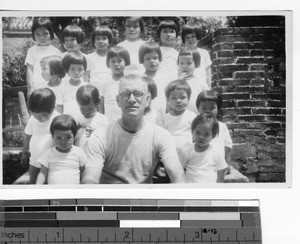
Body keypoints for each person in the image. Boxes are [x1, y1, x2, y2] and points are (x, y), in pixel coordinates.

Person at [81, 74, 186, 184]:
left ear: (148, 100)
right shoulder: (100, 136)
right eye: (125, 94)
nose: (131, 100)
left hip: (142, 199)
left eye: (138, 94)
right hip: (110, 198)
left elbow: (176, 173)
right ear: (118, 100)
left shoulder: (161, 136)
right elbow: (90, 177)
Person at [21, 88, 59, 184]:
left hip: (51, 163)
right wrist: (24, 152)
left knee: (49, 186)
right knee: (33, 182)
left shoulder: (57, 119)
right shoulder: (33, 120)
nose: (41, 119)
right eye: (38, 116)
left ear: (53, 108)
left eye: (45, 115)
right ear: (31, 111)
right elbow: (28, 136)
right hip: (34, 161)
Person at [36, 114, 86, 184]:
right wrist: (38, 187)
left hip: (73, 192)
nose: (63, 142)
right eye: (59, 138)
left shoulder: (79, 152)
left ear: (74, 136)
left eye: (68, 137)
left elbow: (83, 171)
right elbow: (43, 172)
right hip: (54, 192)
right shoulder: (49, 153)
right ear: (53, 137)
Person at [180, 113, 227, 183]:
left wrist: (220, 187)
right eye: (197, 133)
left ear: (213, 136)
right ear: (192, 132)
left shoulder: (215, 152)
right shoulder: (186, 150)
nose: (201, 137)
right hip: (190, 187)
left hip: (209, 187)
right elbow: (180, 169)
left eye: (206, 134)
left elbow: (221, 169)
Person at [196, 89, 233, 174]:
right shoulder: (195, 125)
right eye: (204, 107)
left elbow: (227, 145)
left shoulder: (222, 127)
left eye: (212, 108)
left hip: (217, 164)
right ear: (198, 108)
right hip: (199, 164)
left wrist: (226, 162)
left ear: (218, 108)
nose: (208, 110)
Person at [25, 17, 61, 98]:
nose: (41, 37)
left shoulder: (56, 51)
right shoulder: (32, 51)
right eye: (38, 34)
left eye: (45, 33)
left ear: (51, 34)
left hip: (53, 86)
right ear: (33, 35)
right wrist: (30, 88)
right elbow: (29, 70)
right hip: (36, 86)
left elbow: (59, 72)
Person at [161, 79, 197, 154]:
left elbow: (196, 135)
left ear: (188, 98)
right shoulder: (165, 118)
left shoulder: (192, 116)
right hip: (170, 153)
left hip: (188, 153)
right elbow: (162, 137)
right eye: (173, 98)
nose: (178, 101)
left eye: (182, 97)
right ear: (168, 100)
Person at [139, 41, 172, 116]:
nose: (152, 61)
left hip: (162, 114)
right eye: (147, 58)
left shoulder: (166, 78)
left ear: (160, 59)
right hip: (145, 115)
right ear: (142, 60)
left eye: (155, 58)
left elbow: (169, 98)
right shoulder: (139, 79)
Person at [98, 46, 130, 122]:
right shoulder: (105, 81)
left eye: (119, 61)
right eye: (113, 61)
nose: (116, 64)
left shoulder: (129, 81)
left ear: (126, 62)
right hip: (109, 116)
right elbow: (101, 101)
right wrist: (100, 118)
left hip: (124, 115)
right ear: (108, 63)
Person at [75, 85, 109, 150]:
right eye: (83, 109)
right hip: (79, 152)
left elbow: (106, 140)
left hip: (95, 153)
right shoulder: (78, 119)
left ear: (98, 103)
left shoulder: (102, 120)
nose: (86, 112)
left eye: (90, 108)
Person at [56, 51, 88, 118]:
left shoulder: (86, 86)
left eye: (80, 69)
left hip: (83, 119)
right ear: (66, 69)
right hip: (67, 120)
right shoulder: (62, 86)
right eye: (73, 69)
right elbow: (59, 106)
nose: (76, 72)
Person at [177, 48, 209, 114]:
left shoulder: (200, 82)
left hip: (197, 116)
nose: (184, 66)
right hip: (179, 117)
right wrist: (179, 82)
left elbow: (208, 98)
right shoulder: (175, 82)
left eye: (189, 63)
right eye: (181, 63)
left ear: (196, 64)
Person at [181, 23, 212, 88]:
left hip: (202, 84)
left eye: (193, 36)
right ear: (184, 39)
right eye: (187, 37)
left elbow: (208, 72)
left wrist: (209, 86)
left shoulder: (204, 53)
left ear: (198, 37)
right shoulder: (182, 53)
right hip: (187, 85)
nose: (190, 39)